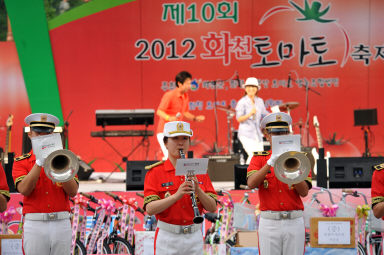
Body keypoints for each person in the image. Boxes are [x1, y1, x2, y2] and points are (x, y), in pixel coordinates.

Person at [144, 121, 217, 255]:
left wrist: (198, 190)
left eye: (185, 138)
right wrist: (176, 196)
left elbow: (212, 207)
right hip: (167, 237)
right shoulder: (155, 172)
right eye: (175, 138)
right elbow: (149, 209)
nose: (180, 143)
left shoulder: (199, 170)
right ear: (165, 143)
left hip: (194, 236)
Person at [12, 113, 79, 255]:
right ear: (30, 134)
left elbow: (73, 192)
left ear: (53, 135)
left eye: (47, 134)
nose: (43, 138)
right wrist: (39, 162)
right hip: (35, 224)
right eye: (38, 134)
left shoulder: (65, 158)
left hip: (61, 222)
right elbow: (24, 189)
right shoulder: (21, 161)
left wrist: (60, 164)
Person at [246, 112, 312, 255]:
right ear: (267, 135)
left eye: (283, 133)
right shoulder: (259, 158)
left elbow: (304, 192)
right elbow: (251, 183)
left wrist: (293, 169)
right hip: (269, 222)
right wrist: (270, 163)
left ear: (288, 134)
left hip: (294, 221)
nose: (280, 137)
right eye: (275, 134)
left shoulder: (300, 158)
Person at [156, 71, 205, 159]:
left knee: (180, 158)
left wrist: (195, 118)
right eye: (187, 83)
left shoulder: (185, 96)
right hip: (165, 132)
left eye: (190, 83)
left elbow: (185, 112)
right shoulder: (169, 95)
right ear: (179, 83)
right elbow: (159, 111)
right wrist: (169, 118)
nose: (189, 86)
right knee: (171, 157)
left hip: (176, 132)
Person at [235, 77, 269, 164]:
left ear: (257, 89)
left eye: (253, 87)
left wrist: (274, 114)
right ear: (245, 88)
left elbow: (264, 114)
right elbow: (239, 118)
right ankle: (247, 175)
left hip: (257, 134)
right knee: (254, 155)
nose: (251, 89)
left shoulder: (259, 101)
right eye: (249, 87)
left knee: (261, 156)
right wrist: (250, 114)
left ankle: (256, 176)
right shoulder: (242, 102)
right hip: (246, 134)